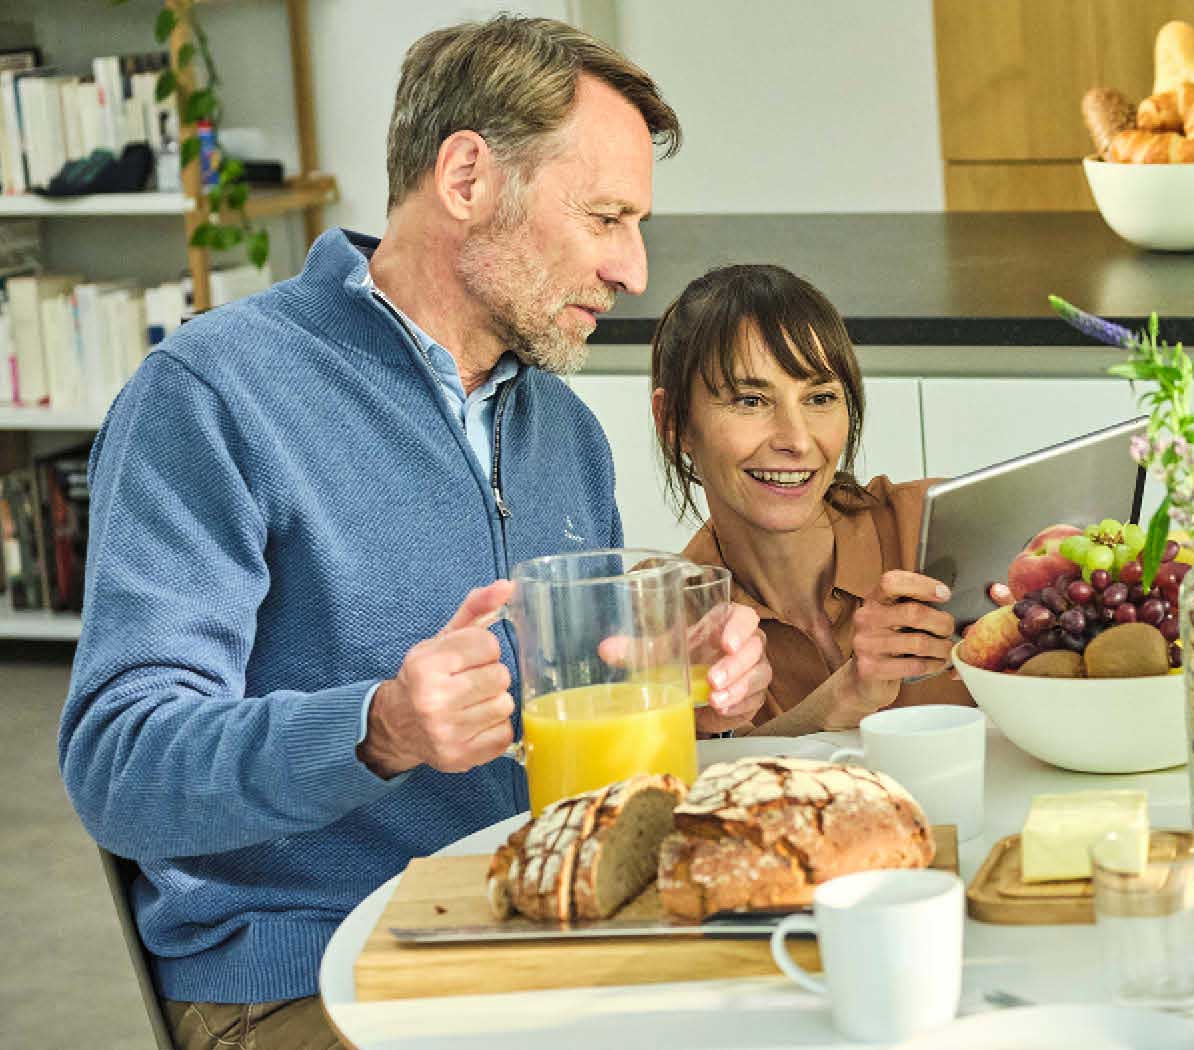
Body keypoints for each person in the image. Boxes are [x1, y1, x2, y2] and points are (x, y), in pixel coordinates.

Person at [56, 19, 768, 1048]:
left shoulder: (560, 428)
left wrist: (683, 681)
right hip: (301, 979)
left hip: (535, 938)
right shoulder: (213, 394)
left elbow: (568, 726)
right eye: (605, 217)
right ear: (468, 177)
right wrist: (378, 727)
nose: (634, 270)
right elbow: (120, 769)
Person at [651, 264, 971, 734]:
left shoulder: (937, 523)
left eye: (819, 398)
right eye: (751, 401)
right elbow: (695, 793)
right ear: (674, 423)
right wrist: (847, 694)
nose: (797, 440)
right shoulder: (674, 623)